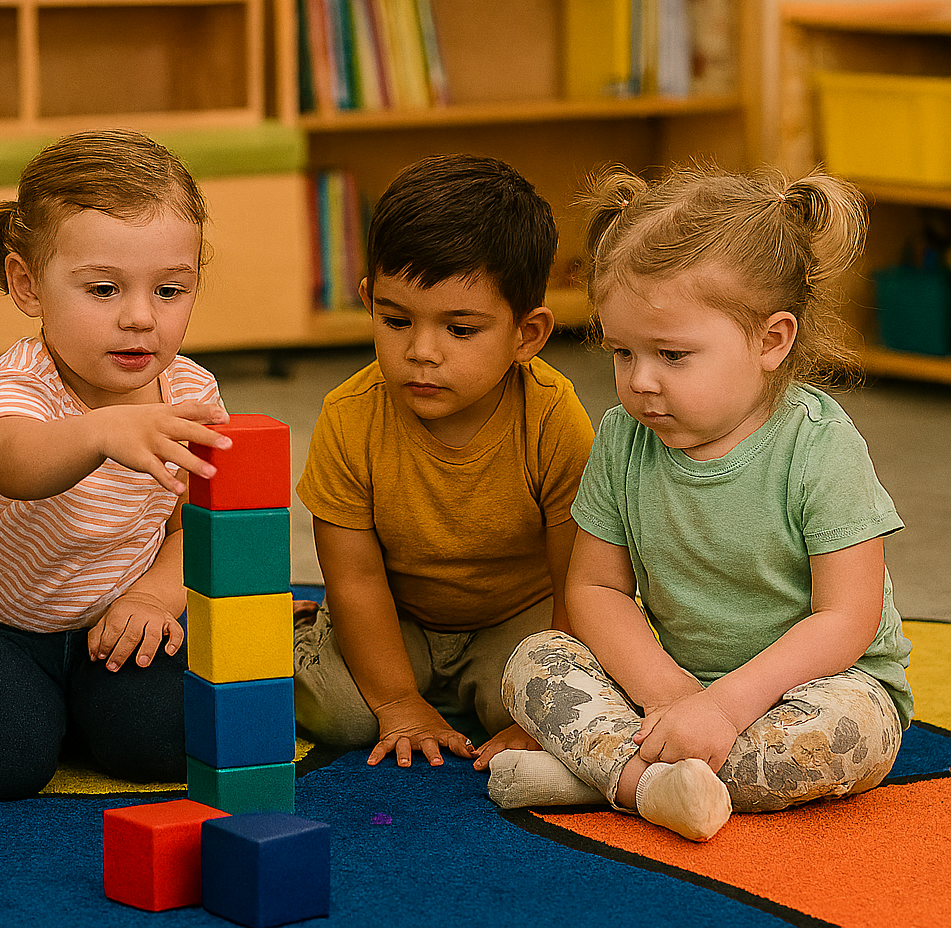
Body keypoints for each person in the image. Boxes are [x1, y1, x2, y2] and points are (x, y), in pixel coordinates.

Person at [489, 165, 913, 843]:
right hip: (671, 695)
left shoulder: (819, 444)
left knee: (843, 733)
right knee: (534, 661)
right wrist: (676, 697)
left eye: (673, 355)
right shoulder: (623, 438)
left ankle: (603, 778)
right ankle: (652, 783)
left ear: (773, 341)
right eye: (622, 352)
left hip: (812, 691)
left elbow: (848, 618)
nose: (640, 381)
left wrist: (727, 705)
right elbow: (595, 586)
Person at [0, 129, 231, 800]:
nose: (140, 319)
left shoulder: (192, 392)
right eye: (103, 289)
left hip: (112, 618)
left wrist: (152, 596)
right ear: (27, 285)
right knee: (3, 760)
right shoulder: (18, 383)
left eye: (171, 290)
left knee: (162, 741)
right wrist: (100, 431)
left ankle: (72, 711)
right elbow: (15, 464)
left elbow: (195, 527)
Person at [294, 154, 594, 772]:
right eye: (396, 320)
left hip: (519, 615)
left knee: (543, 707)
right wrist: (398, 701)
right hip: (396, 613)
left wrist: (543, 715)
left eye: (460, 331)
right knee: (345, 715)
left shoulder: (553, 418)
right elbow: (355, 579)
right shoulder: (349, 417)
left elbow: (579, 579)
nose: (420, 352)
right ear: (370, 302)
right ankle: (296, 628)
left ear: (526, 335)